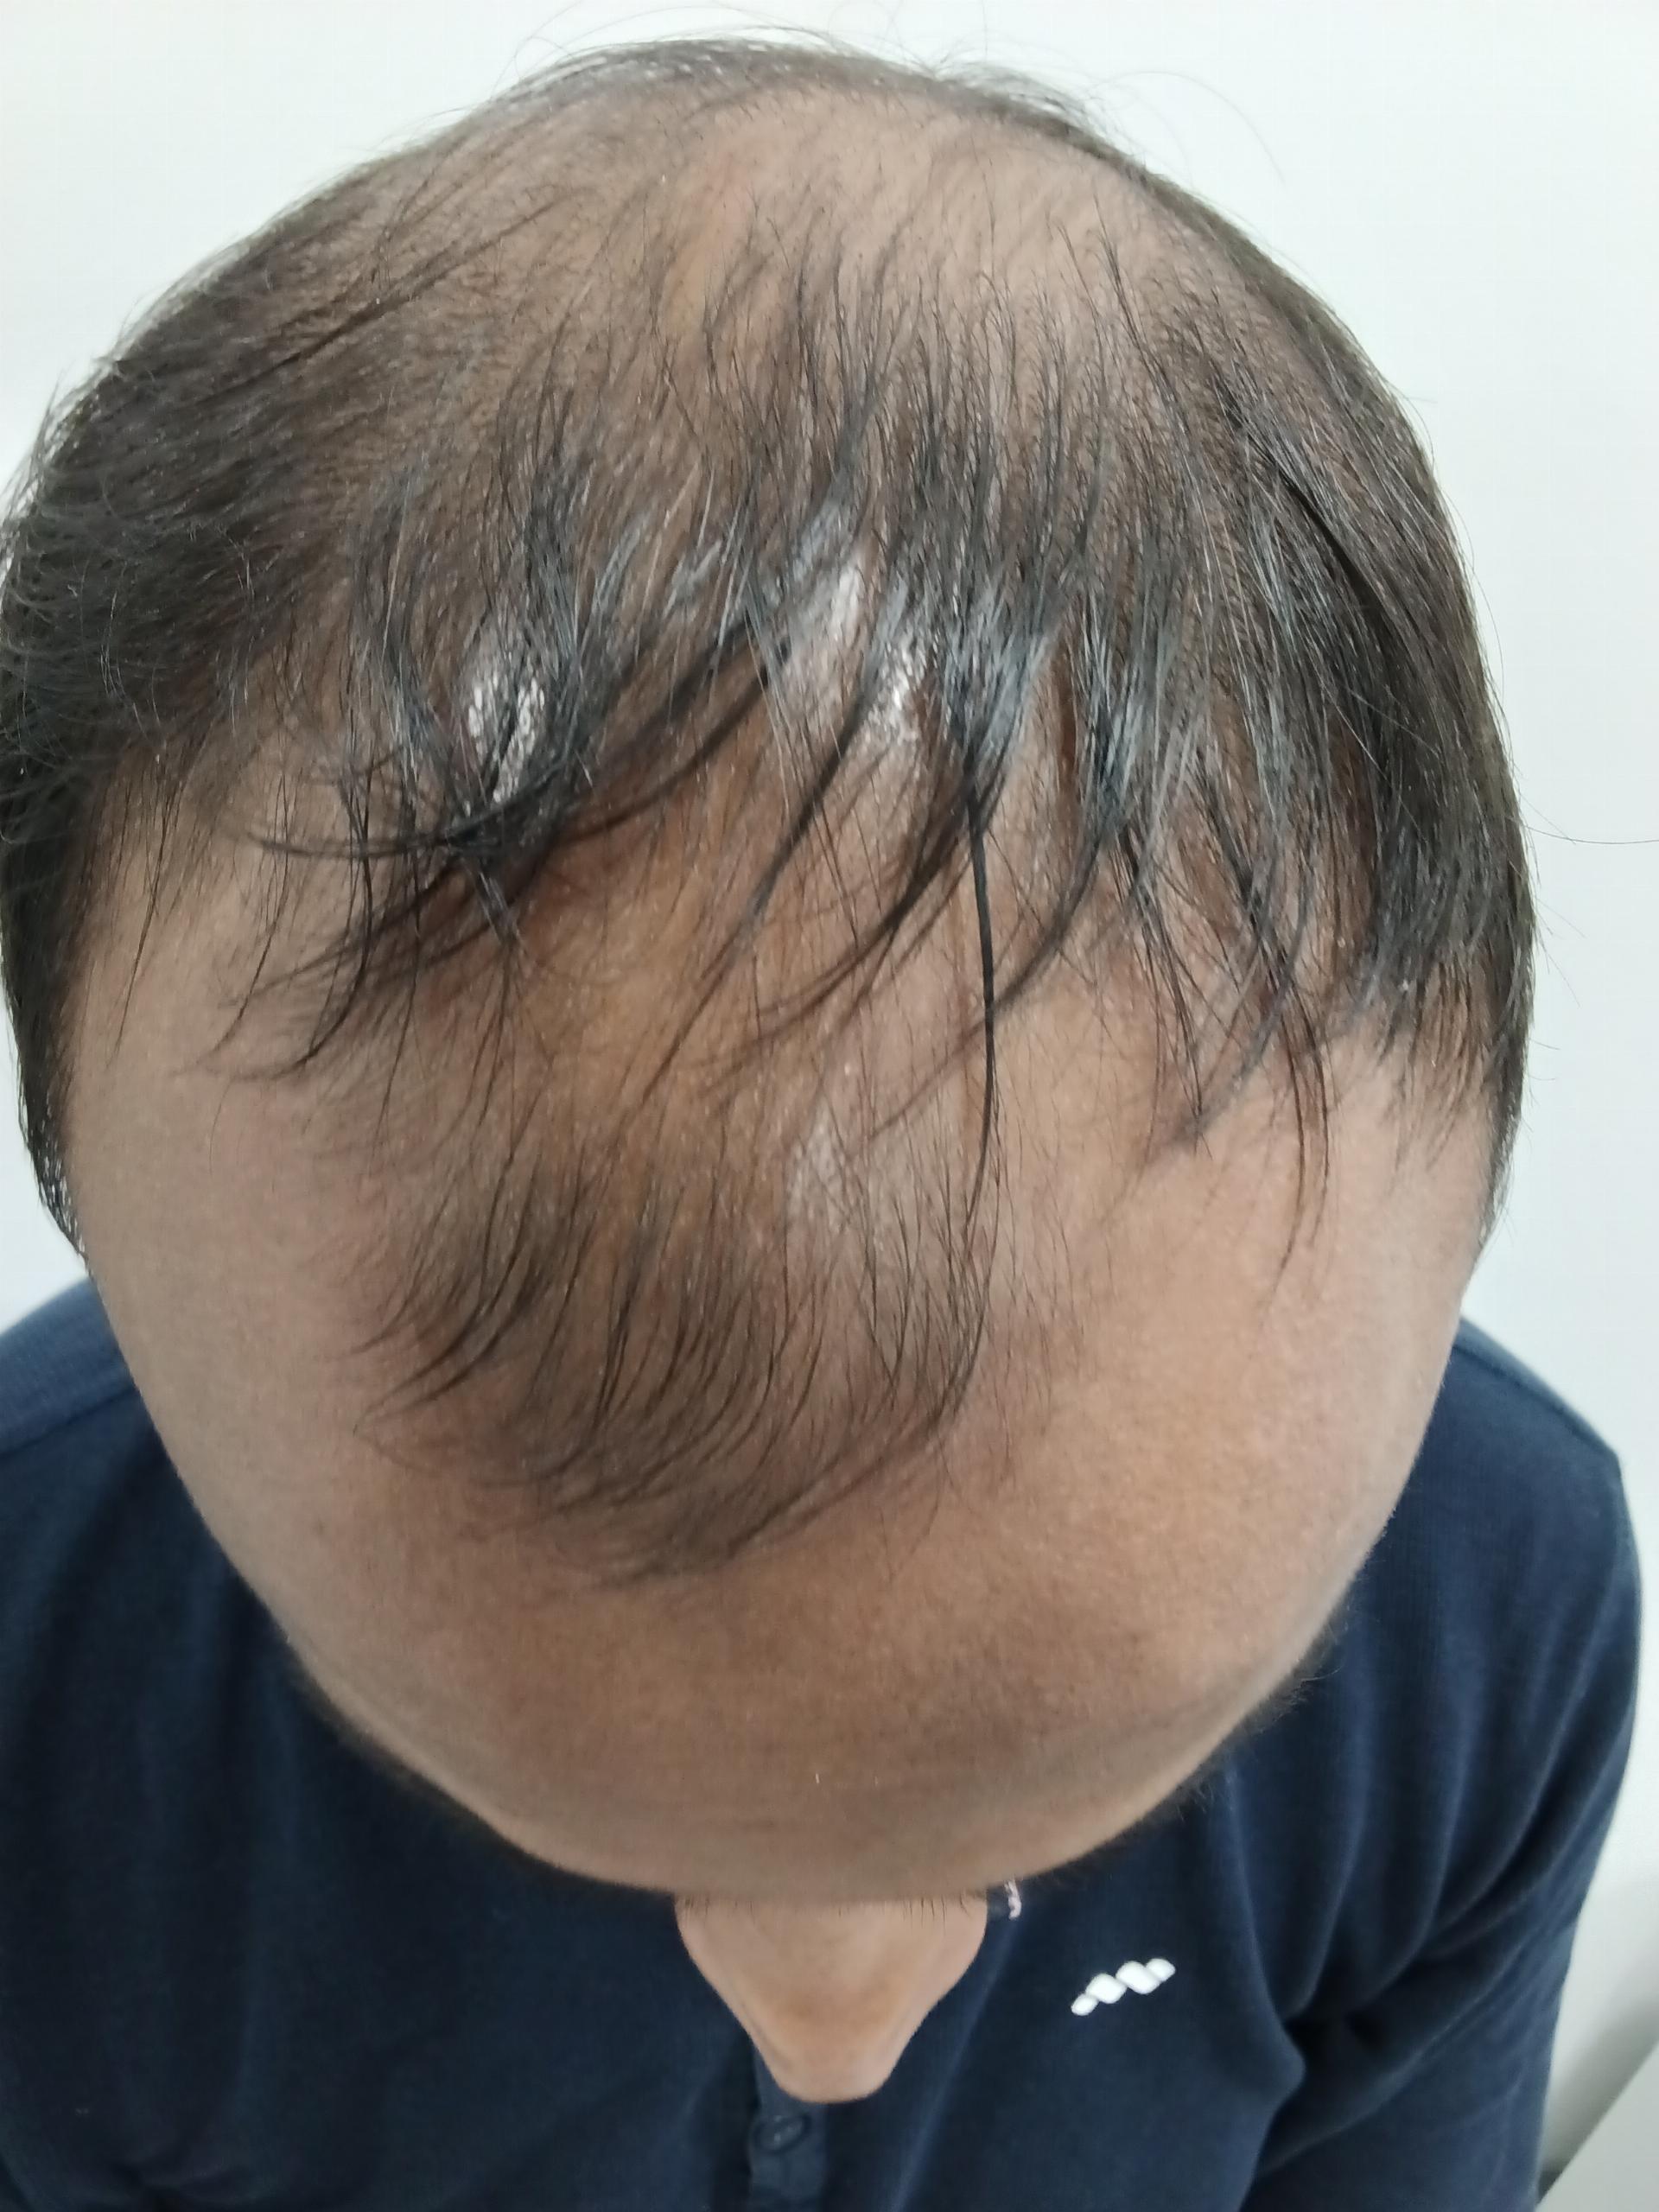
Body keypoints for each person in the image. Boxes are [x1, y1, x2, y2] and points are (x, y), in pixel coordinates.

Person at [0, 34, 1640, 2212]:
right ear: (103, 1231)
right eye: (543, 1809)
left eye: (1084, 1797)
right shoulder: (39, 1669)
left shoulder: (1488, 1608)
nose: (837, 2027)